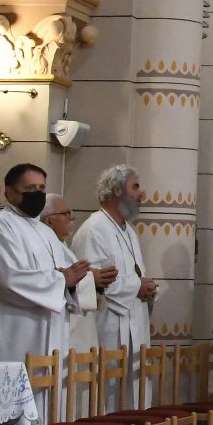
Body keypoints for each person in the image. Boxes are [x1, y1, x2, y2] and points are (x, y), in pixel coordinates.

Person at [0, 164, 88, 425]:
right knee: (14, 412)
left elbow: (70, 273)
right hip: (13, 337)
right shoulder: (0, 228)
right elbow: (9, 278)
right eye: (30, 190)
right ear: (9, 192)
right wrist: (60, 280)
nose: (38, 194)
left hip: (47, 337)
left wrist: (75, 279)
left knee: (47, 409)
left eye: (42, 187)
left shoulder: (43, 231)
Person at [70, 164, 155, 384]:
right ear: (117, 191)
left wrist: (147, 288)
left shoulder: (129, 231)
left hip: (134, 322)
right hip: (109, 327)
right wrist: (137, 286)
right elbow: (95, 282)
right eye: (135, 187)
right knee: (110, 395)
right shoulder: (93, 230)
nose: (141, 193)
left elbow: (135, 273)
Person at [41, 195, 101, 354]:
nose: (72, 217)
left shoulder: (62, 245)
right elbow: (56, 281)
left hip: (80, 330)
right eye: (66, 213)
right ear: (49, 221)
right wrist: (92, 279)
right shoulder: (45, 246)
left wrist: (96, 281)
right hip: (66, 334)